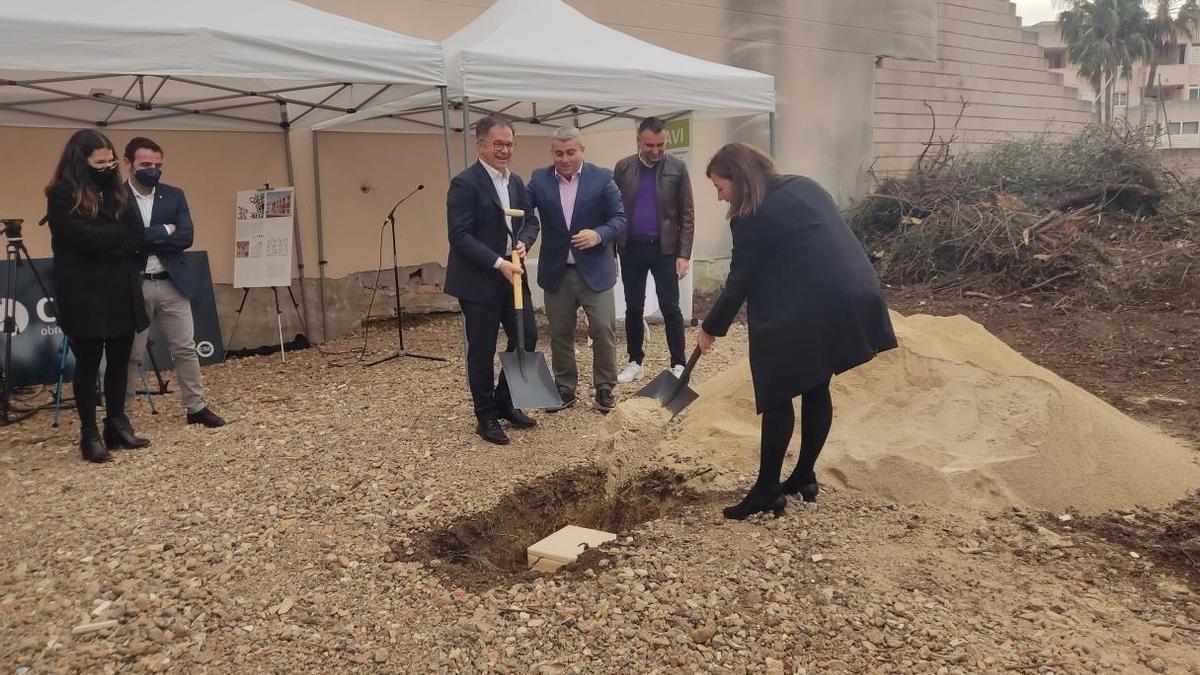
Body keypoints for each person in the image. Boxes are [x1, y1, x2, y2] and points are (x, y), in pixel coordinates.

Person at [697, 143, 898, 520]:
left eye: (720, 187)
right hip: (852, 292)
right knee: (816, 383)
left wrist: (710, 328)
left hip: (811, 303)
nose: (720, 196)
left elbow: (740, 280)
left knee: (777, 391)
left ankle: (766, 491)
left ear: (739, 178)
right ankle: (804, 475)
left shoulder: (751, 215)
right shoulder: (804, 186)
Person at [44, 129, 150, 463]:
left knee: (120, 357)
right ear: (81, 161)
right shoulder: (62, 194)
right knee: (89, 361)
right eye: (99, 162)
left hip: (120, 287)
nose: (107, 167)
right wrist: (116, 238)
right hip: (83, 291)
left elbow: (138, 236)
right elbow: (82, 239)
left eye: (111, 161)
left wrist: (108, 242)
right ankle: (88, 433)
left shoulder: (119, 191)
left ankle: (116, 423)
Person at [445, 116, 540, 445]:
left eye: (509, 144)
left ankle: (505, 400)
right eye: (498, 144)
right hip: (479, 281)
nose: (504, 150)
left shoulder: (515, 182)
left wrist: (524, 242)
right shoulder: (464, 183)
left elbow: (530, 221)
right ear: (480, 145)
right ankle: (485, 416)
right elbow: (459, 235)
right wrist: (498, 262)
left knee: (526, 337)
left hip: (513, 278)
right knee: (482, 350)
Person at [121, 137, 225, 428]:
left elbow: (185, 236)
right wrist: (162, 231)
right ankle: (121, 415)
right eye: (145, 164)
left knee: (185, 348)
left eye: (157, 165)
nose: (152, 170)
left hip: (172, 282)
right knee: (130, 354)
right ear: (128, 163)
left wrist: (144, 238)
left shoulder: (174, 195)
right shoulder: (115, 197)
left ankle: (196, 407)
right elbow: (120, 242)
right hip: (133, 285)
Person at [527, 127, 626, 412]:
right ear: (552, 153)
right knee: (559, 333)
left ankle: (604, 387)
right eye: (558, 153)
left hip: (595, 271)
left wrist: (598, 234)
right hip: (557, 272)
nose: (565, 159)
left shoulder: (602, 178)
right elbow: (523, 212)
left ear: (582, 150)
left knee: (603, 329)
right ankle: (564, 388)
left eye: (571, 152)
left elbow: (619, 218)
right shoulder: (539, 179)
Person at [612, 117, 694, 383]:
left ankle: (679, 363)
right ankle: (635, 361)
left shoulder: (678, 168)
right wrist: (613, 250)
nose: (656, 150)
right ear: (638, 141)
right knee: (633, 306)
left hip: (665, 249)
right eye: (650, 145)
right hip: (631, 248)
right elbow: (613, 210)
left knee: (670, 307)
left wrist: (684, 254)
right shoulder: (623, 167)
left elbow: (687, 213)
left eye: (661, 145)